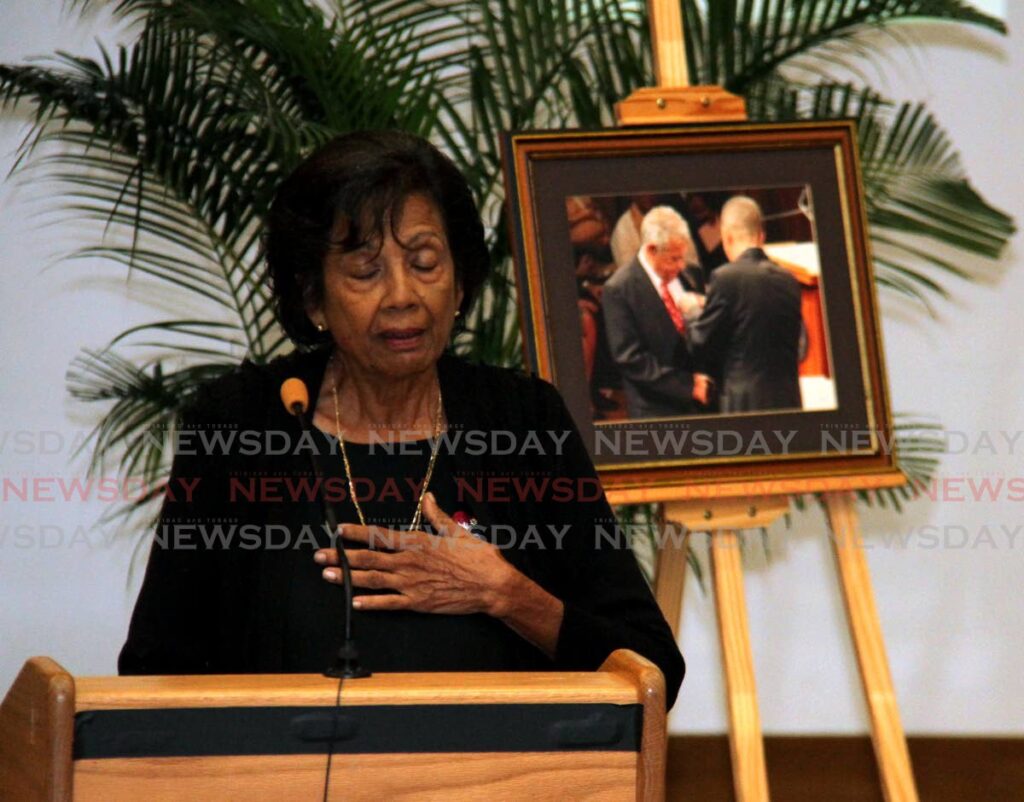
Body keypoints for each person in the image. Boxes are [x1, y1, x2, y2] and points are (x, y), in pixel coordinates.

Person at [118, 130, 684, 709]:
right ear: (313, 297)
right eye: (366, 271)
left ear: (460, 281)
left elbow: (652, 670)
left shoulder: (522, 424)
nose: (402, 295)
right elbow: (155, 671)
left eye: (425, 262)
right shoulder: (240, 427)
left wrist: (506, 594)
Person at [685, 195, 803, 413]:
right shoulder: (790, 280)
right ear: (762, 236)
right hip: (789, 402)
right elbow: (801, 347)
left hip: (745, 406)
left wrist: (691, 310)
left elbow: (700, 344)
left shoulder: (725, 278)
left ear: (726, 237)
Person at [601, 206, 711, 419]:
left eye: (682, 256)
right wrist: (687, 387)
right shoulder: (619, 290)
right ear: (651, 249)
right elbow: (630, 358)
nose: (681, 265)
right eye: (673, 258)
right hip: (656, 411)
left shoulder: (691, 275)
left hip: (701, 408)